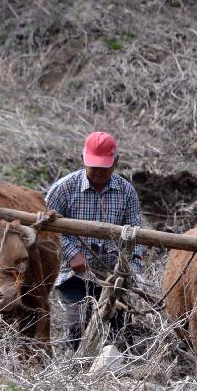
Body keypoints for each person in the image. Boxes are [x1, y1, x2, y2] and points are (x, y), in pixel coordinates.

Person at [45, 131, 144, 352]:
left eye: (105, 166)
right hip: (73, 274)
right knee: (78, 324)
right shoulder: (64, 189)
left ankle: (119, 369)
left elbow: (135, 233)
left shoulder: (126, 192)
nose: (99, 172)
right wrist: (72, 254)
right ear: (83, 160)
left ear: (116, 162)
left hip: (113, 273)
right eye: (93, 165)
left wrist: (133, 268)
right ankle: (76, 370)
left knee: (121, 328)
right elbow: (47, 228)